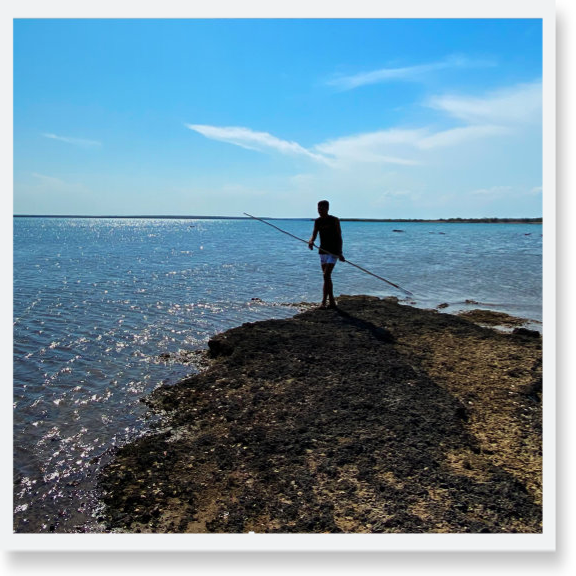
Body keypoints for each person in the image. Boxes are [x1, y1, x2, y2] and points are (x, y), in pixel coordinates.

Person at [308, 200, 345, 309]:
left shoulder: (334, 220)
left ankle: (328, 300)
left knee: (326, 275)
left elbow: (339, 237)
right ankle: (328, 302)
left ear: (327, 209)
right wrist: (311, 241)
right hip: (323, 251)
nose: (320, 211)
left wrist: (340, 253)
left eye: (322, 208)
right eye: (318, 208)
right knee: (326, 277)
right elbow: (314, 234)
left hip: (333, 252)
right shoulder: (318, 221)